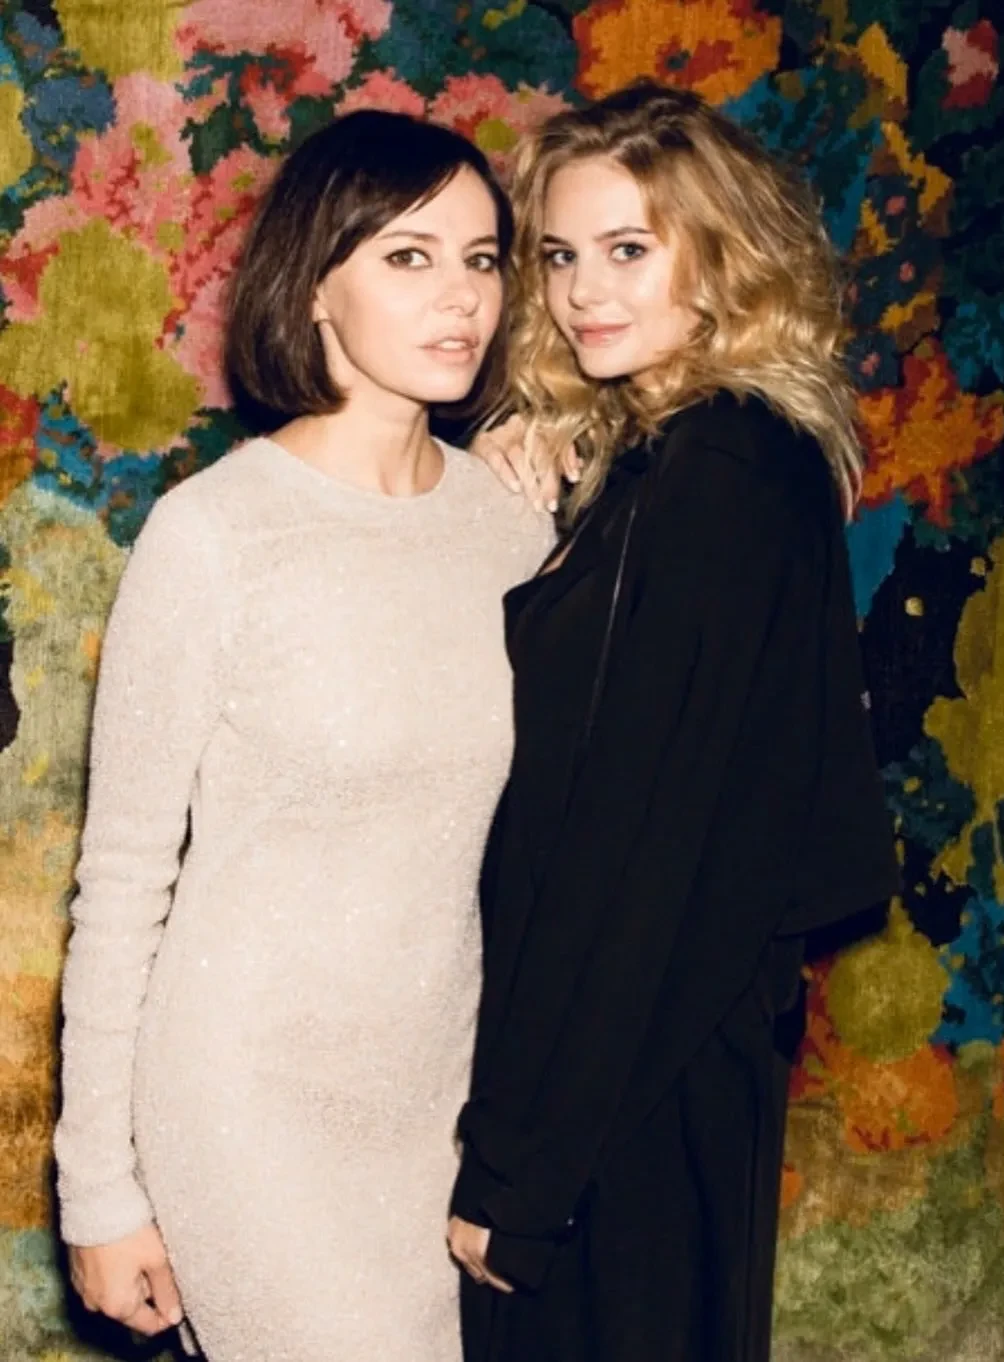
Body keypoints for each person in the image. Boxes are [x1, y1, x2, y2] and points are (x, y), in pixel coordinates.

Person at [54, 109, 551, 1362]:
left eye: (481, 259)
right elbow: (122, 881)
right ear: (315, 283)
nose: (461, 296)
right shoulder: (216, 536)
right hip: (248, 1107)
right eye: (408, 256)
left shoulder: (512, 526)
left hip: (444, 1108)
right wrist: (96, 1187)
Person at [447, 82, 900, 1362]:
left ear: (720, 258)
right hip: (640, 1070)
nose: (582, 292)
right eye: (558, 256)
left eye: (627, 249)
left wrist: (522, 1175)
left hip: (625, 1094)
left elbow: (633, 857)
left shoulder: (720, 476)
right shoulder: (674, 461)